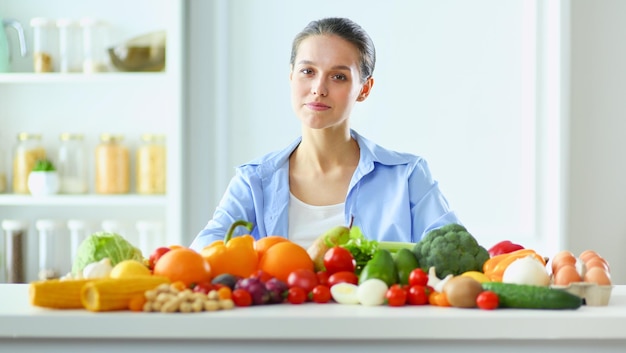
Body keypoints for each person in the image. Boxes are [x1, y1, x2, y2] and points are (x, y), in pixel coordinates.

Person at [190, 17, 460, 251]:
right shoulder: (254, 181)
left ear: (365, 89)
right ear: (291, 77)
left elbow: (456, 253)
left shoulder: (408, 176)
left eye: (338, 77)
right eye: (308, 71)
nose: (318, 88)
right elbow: (205, 250)